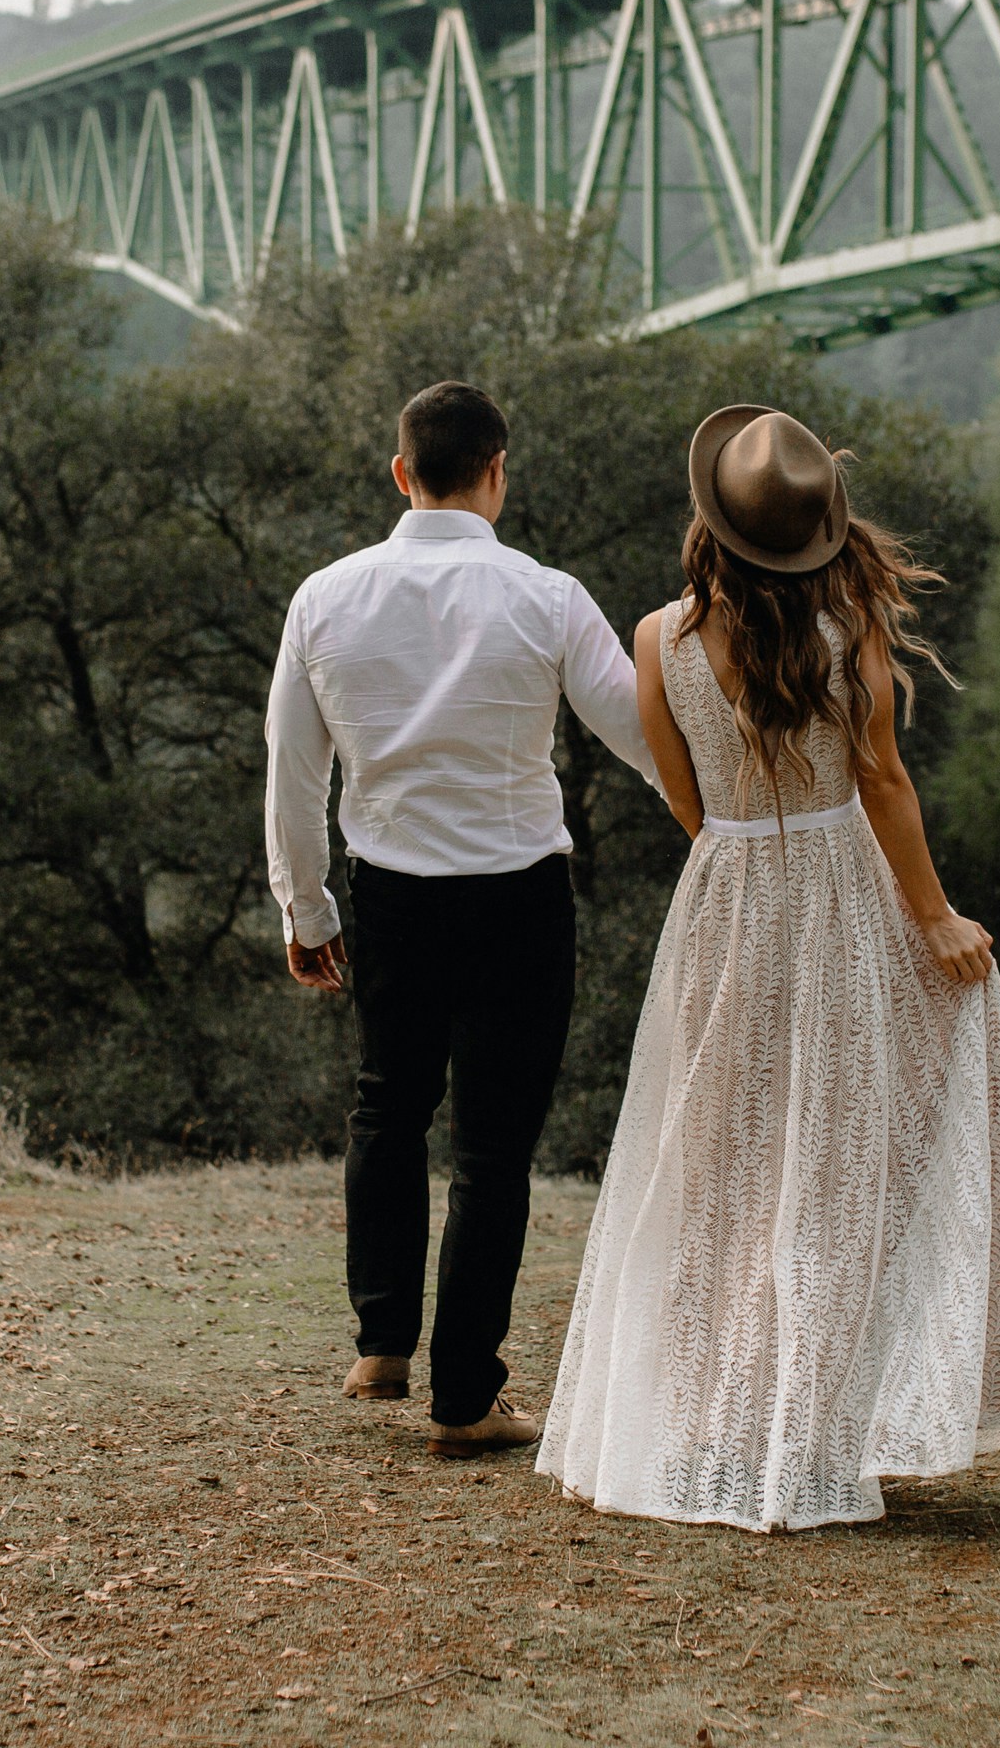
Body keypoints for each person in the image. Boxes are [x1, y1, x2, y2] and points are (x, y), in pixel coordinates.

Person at [536, 405, 1000, 1531]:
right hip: (838, 893)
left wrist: (742, 858)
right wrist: (933, 920)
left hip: (724, 898)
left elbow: (681, 792)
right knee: (834, 1165)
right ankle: (814, 1430)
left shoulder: (658, 640)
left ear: (710, 527)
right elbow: (881, 781)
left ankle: (707, 1427)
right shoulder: (849, 630)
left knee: (716, 1165)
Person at [265, 380, 662, 1458]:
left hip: (389, 893)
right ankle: (465, 1401)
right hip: (517, 897)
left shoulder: (325, 597)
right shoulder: (548, 596)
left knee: (387, 1107)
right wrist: (736, 822)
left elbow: (294, 776)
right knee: (492, 1150)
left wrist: (307, 907)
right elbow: (639, 735)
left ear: (402, 473)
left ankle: (381, 1344)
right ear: (499, 471)